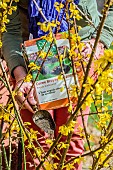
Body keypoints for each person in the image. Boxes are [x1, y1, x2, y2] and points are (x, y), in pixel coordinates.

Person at [1, 0, 113, 169]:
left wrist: (99, 43)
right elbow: (10, 28)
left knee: (71, 142)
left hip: (79, 60)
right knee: (36, 144)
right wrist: (19, 74)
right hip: (30, 63)